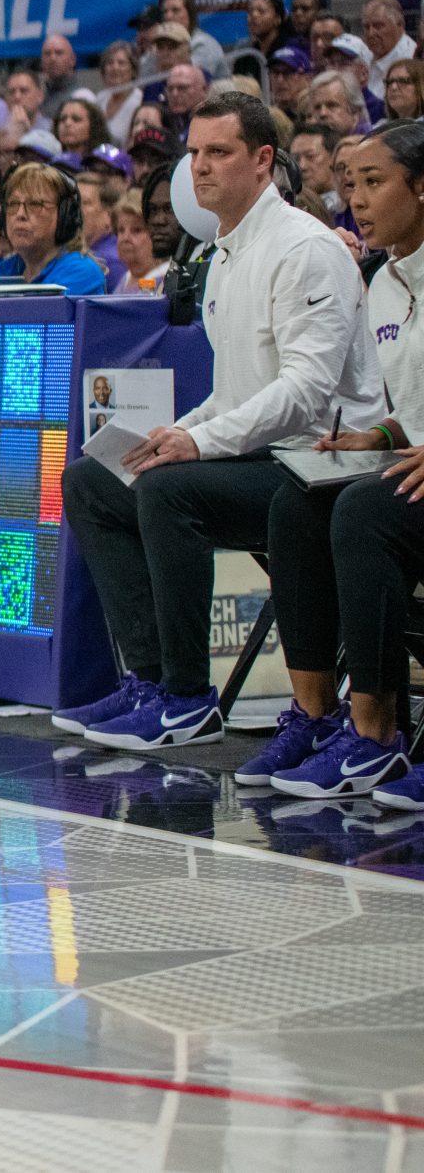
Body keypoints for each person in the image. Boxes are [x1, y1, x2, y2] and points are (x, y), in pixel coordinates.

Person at [57, 93, 383, 752]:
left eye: (218, 152)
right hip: (264, 457)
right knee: (92, 482)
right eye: (194, 153)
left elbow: (305, 393)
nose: (199, 168)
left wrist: (198, 441)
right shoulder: (224, 253)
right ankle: (149, 681)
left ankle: (186, 697)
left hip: (323, 465)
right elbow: (237, 392)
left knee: (169, 490)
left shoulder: (306, 247)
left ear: (263, 160)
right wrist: (174, 432)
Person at [251, 120, 424, 798]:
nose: (357, 198)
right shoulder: (380, 283)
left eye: (375, 182)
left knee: (362, 512)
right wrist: (381, 435)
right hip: (411, 465)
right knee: (297, 500)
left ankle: (379, 727)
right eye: (351, 183)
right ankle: (318, 714)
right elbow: (412, 403)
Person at [0, 163, 111, 293]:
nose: (20, 214)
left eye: (35, 204)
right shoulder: (4, 272)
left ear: (64, 216)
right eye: (13, 204)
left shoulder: (82, 273)